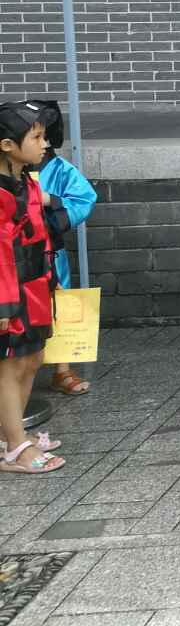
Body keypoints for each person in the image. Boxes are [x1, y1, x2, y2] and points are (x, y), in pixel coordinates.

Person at [0, 102, 63, 474]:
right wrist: (4, 306)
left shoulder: (25, 183)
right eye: (36, 137)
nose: (44, 145)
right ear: (8, 145)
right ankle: (14, 447)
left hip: (34, 285)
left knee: (32, 359)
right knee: (10, 366)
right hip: (9, 292)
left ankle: (12, 436)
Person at [28, 101, 95, 395]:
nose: (41, 143)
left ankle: (62, 369)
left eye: (43, 136)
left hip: (49, 251)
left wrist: (49, 200)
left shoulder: (60, 169)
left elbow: (84, 199)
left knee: (59, 304)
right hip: (10, 254)